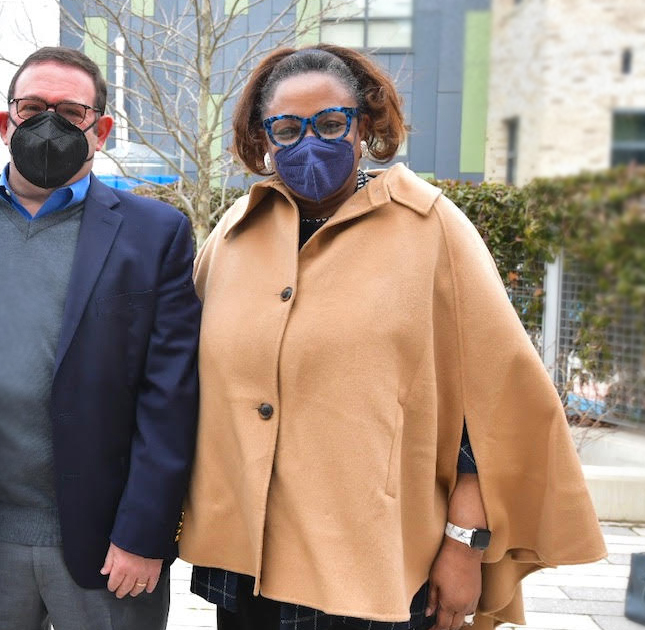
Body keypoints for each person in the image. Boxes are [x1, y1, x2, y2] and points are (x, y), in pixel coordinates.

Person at [179, 44, 607, 630]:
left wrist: (465, 545)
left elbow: (489, 413)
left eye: (331, 124)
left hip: (374, 565)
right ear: (263, 137)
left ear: (366, 124)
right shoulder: (232, 234)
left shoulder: (432, 228)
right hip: (249, 566)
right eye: (286, 128)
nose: (310, 143)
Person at [0, 46, 201, 630]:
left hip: (107, 544)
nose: (48, 124)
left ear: (102, 130)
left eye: (70, 112)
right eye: (32, 107)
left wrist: (146, 532)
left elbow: (171, 397)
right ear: (3, 122)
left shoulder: (156, 233)